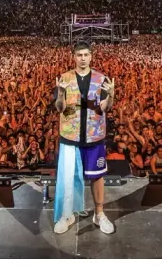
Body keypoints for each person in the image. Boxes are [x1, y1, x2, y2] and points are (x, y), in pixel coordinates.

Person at [52, 41, 115, 235]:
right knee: (68, 176)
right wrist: (61, 94)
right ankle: (67, 215)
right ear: (74, 57)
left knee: (97, 177)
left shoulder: (101, 79)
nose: (83, 58)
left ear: (91, 56)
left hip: (94, 135)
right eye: (79, 55)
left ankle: (99, 214)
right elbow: (60, 108)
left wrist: (111, 95)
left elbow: (105, 108)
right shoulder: (64, 78)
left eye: (86, 55)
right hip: (70, 136)